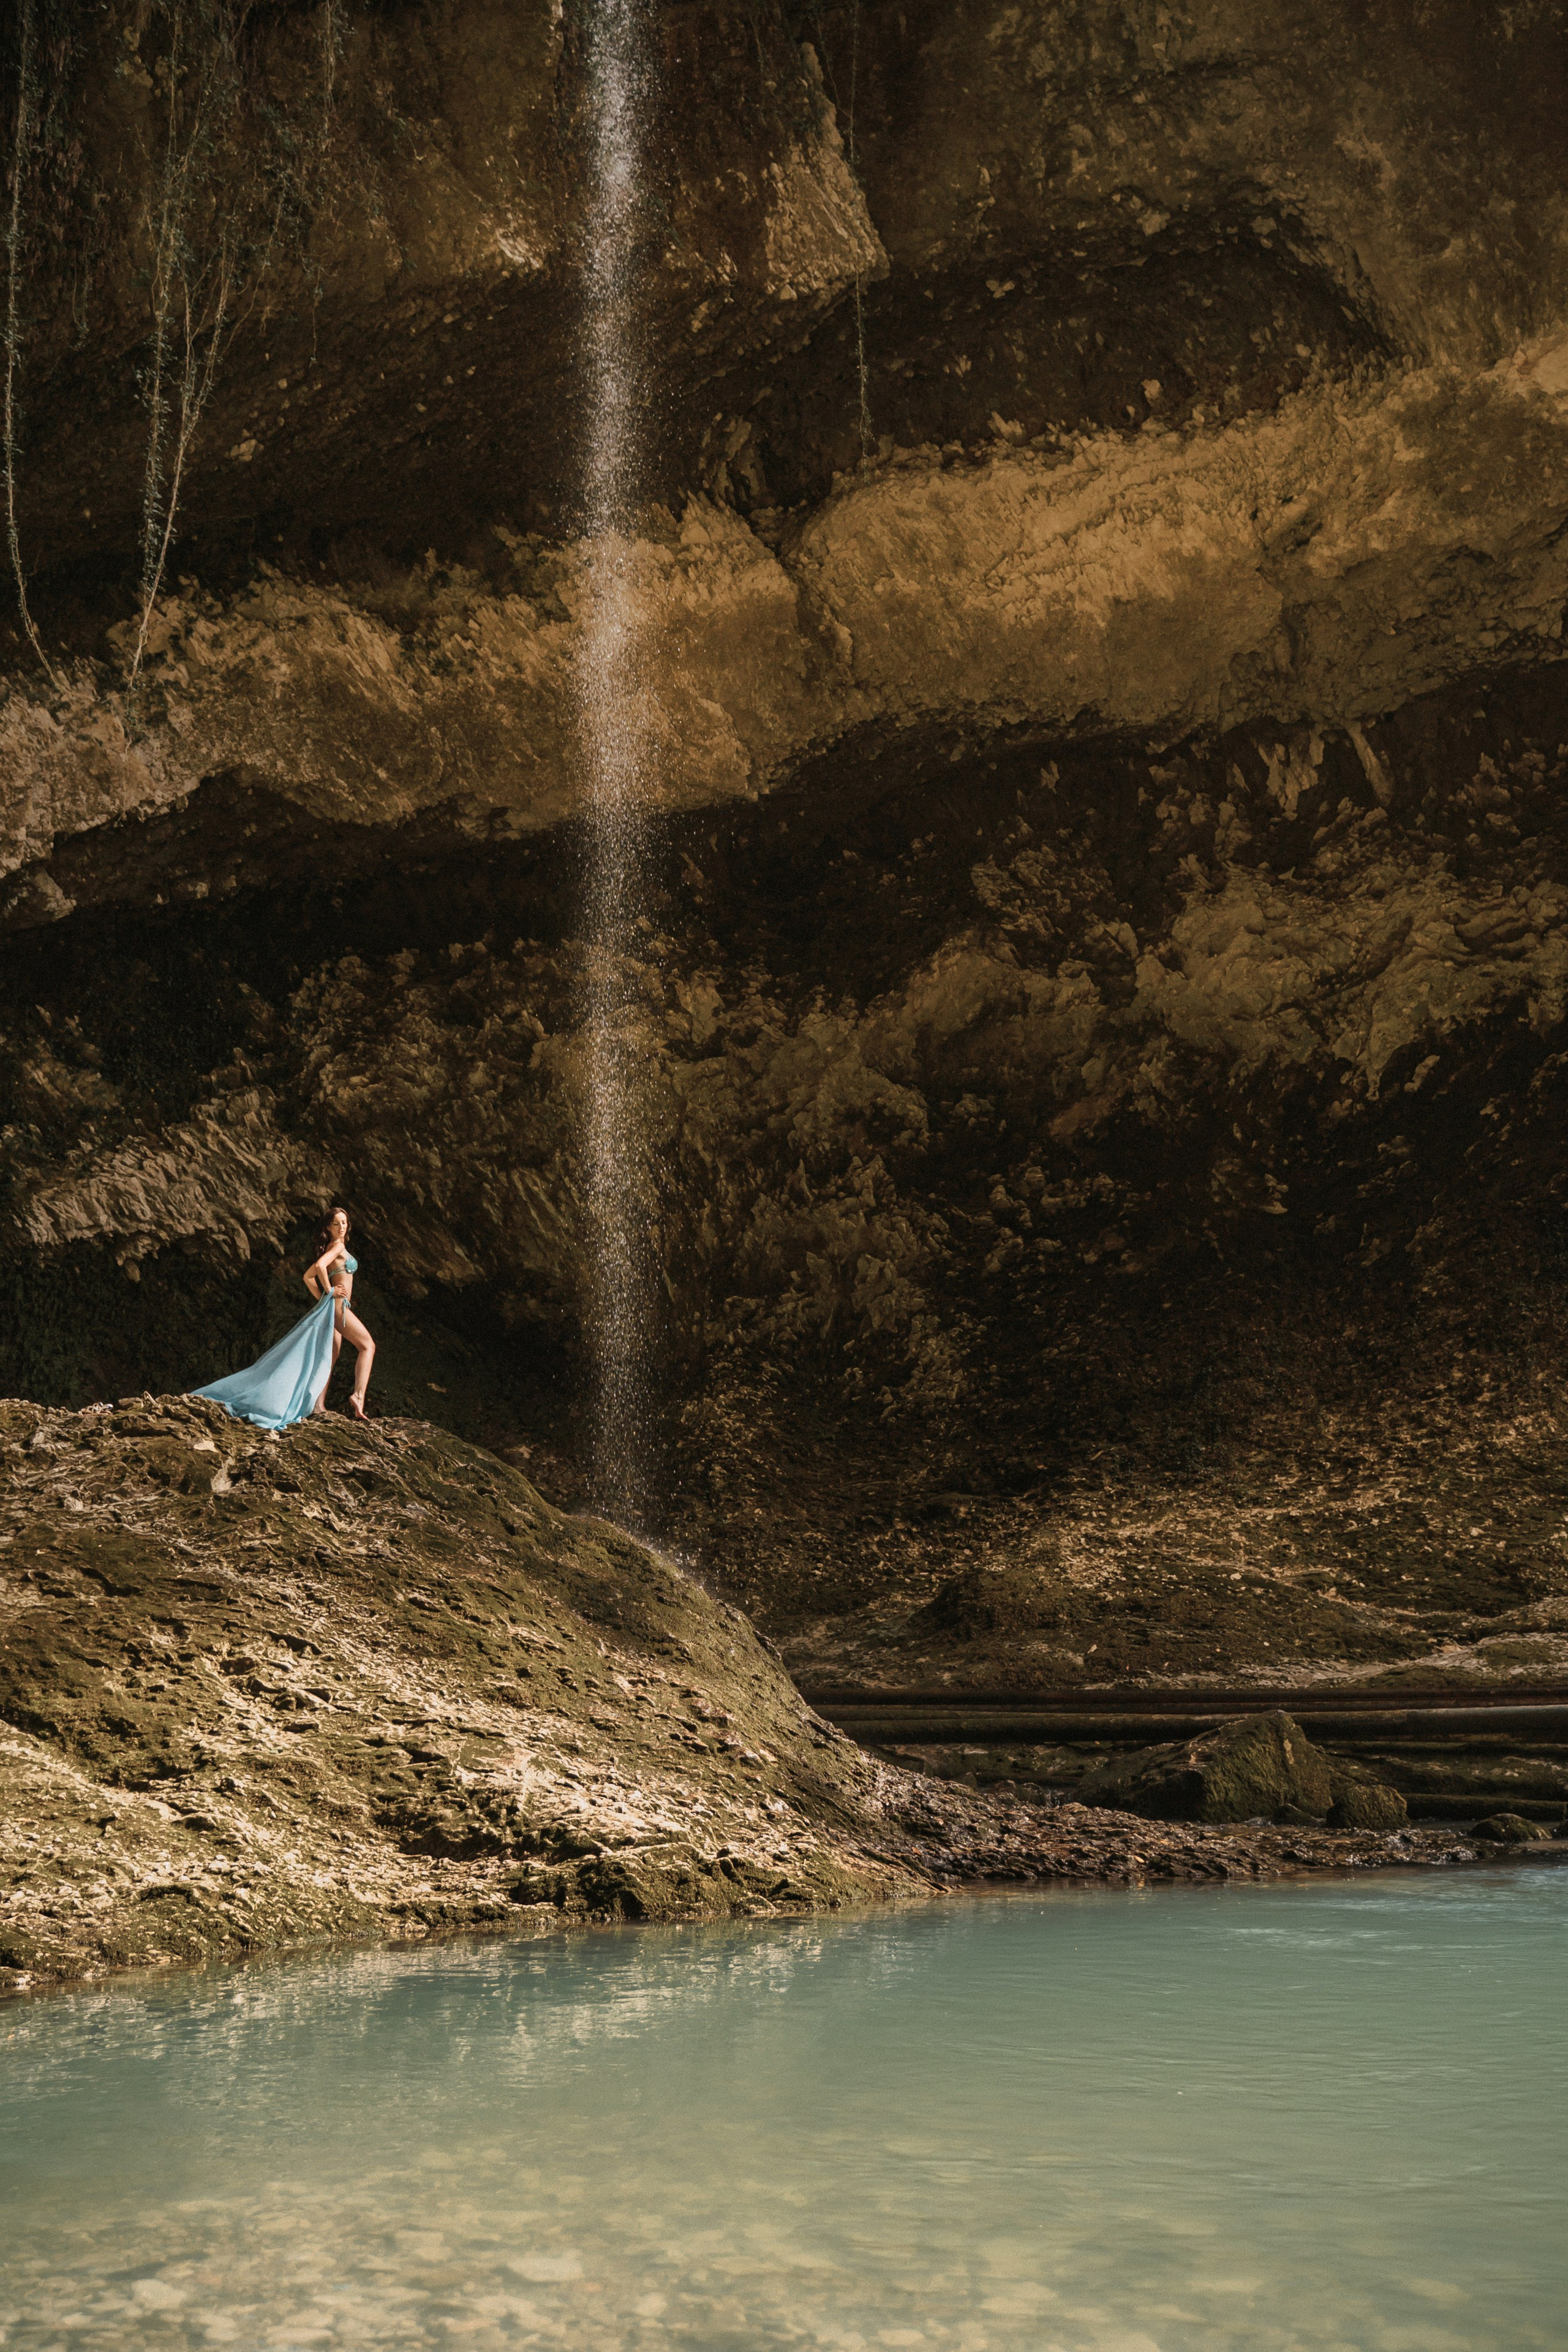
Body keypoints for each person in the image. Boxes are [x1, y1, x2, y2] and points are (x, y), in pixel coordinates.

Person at [190, 1206, 375, 1430]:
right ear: (328, 1227)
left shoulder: (338, 1246)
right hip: (338, 1307)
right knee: (368, 1346)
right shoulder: (336, 1246)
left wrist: (323, 1299)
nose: (341, 1227)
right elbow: (319, 1267)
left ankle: (319, 1405)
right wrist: (329, 1293)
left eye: (344, 1222)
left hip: (334, 1307)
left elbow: (308, 1278)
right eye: (336, 1224)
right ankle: (358, 1396)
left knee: (331, 1356)